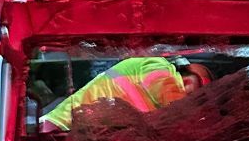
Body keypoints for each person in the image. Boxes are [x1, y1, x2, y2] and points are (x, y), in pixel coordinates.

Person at [39, 56, 212, 131]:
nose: (192, 100)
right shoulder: (159, 66)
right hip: (56, 131)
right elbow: (172, 100)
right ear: (189, 79)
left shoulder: (155, 105)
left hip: (71, 135)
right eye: (196, 93)